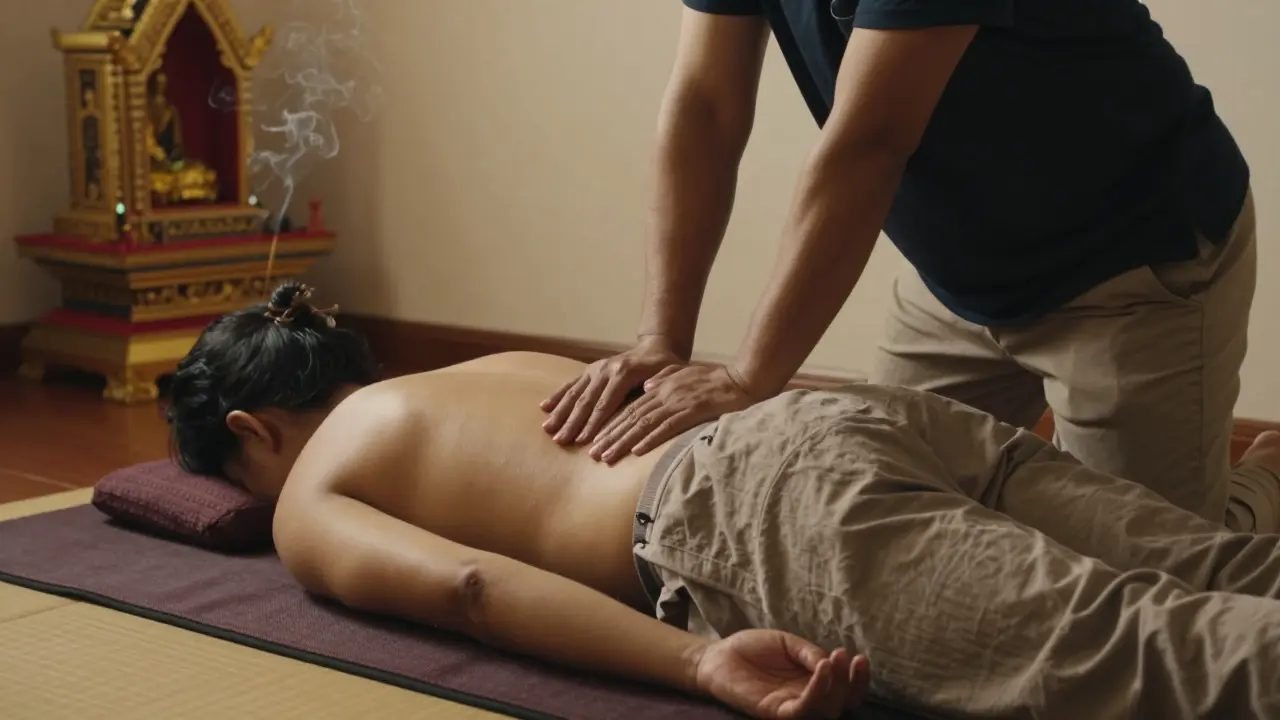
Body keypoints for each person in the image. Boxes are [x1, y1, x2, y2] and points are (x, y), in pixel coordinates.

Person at [165, 284, 1280, 719]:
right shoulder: (474, 364)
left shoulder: (309, 489)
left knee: (1153, 653)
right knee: (1225, 572)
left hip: (751, 505)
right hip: (844, 416)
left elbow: (470, 589)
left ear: (250, 434)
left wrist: (703, 662)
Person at [540, 0, 1274, 534]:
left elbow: (868, 143)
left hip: (1131, 263)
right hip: (957, 280)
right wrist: (658, 338)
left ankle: (1265, 484)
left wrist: (746, 376)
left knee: (1150, 584)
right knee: (878, 513)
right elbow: (705, 104)